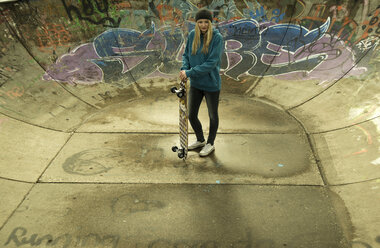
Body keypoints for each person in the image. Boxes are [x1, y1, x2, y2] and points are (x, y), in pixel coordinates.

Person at [180, 9, 224, 157]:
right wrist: (184, 69)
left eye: (206, 22)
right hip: (196, 84)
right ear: (196, 23)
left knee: (213, 116)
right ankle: (200, 140)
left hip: (211, 85)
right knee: (191, 115)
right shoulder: (193, 35)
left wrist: (189, 72)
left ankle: (210, 143)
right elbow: (186, 54)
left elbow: (211, 63)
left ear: (210, 23)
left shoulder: (217, 38)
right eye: (200, 22)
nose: (203, 25)